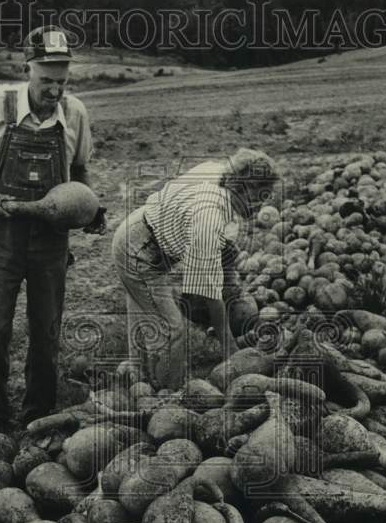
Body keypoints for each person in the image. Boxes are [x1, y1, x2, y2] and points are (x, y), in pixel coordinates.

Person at [0, 25, 105, 437]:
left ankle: (39, 417)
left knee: (46, 330)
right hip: (2, 238)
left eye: (62, 81)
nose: (55, 91)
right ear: (27, 69)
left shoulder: (75, 113)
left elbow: (79, 171)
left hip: (51, 243)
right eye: (46, 81)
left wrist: (87, 209)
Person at [111, 149, 279, 390]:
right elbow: (210, 293)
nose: (261, 204)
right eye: (259, 196)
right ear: (242, 186)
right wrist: (229, 347)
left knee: (143, 311)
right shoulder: (210, 216)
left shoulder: (221, 172)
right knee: (172, 329)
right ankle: (167, 395)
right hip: (138, 250)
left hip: (143, 232)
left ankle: (137, 377)